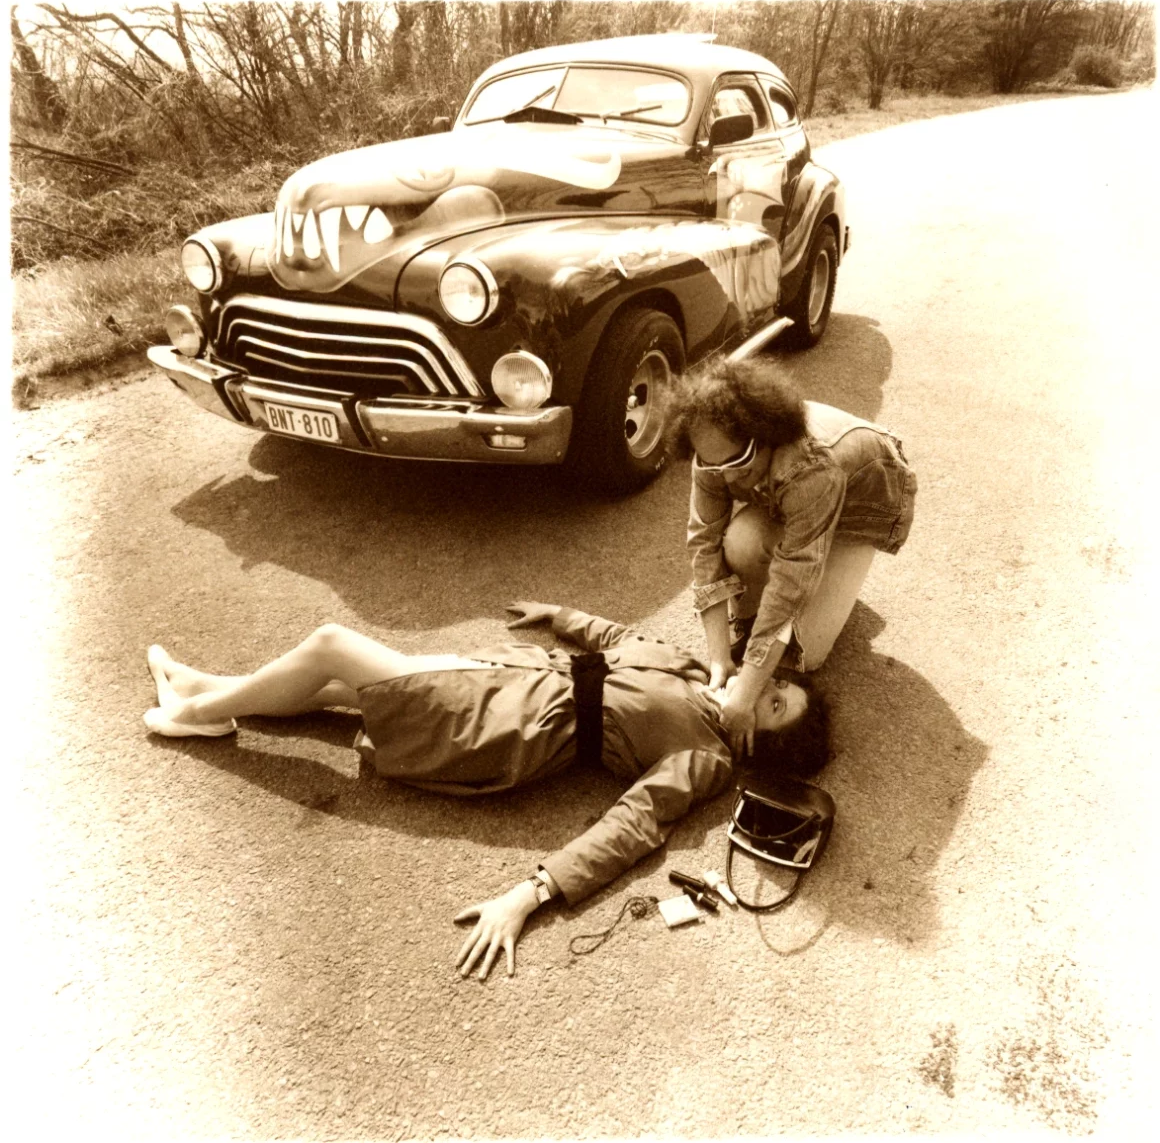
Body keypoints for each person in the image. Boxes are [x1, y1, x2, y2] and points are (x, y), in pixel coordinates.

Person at [143, 601, 831, 980]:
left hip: (504, 726)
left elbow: (632, 825)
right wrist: (559, 614)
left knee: (331, 646)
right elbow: (621, 637)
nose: (761, 687)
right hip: (507, 673)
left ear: (758, 744)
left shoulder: (706, 757)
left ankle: (199, 713)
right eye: (774, 684)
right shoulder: (700, 672)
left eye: (773, 705)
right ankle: (208, 688)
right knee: (340, 685)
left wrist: (527, 896)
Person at [666, 354, 917, 755]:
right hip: (790, 503)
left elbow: (788, 586)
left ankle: (832, 577)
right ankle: (792, 597)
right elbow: (703, 545)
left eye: (738, 461)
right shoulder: (713, 456)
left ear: (766, 434)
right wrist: (718, 659)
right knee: (741, 541)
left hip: (858, 509)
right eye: (713, 465)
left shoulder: (811, 468)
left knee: (807, 655)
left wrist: (745, 695)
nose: (726, 475)